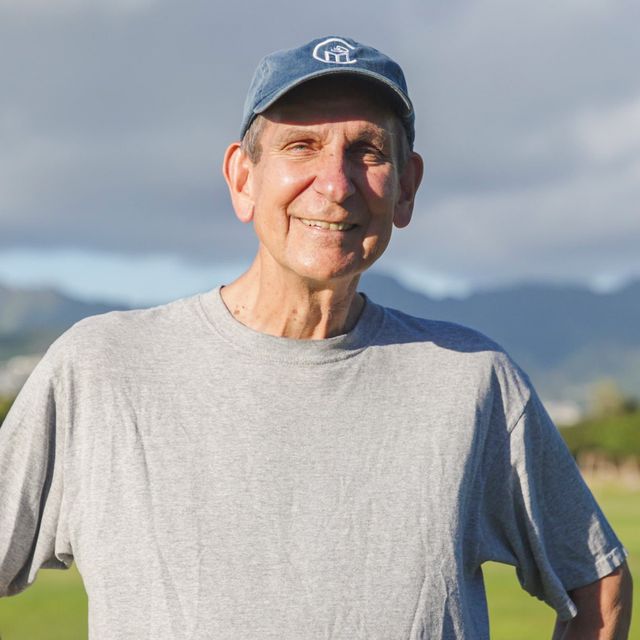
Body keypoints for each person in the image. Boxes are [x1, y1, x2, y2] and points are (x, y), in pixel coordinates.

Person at [0, 35, 633, 639]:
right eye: (301, 146)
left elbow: (597, 585)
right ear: (243, 179)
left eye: (368, 151)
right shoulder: (103, 368)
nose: (334, 183)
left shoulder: (471, 381)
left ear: (407, 186)